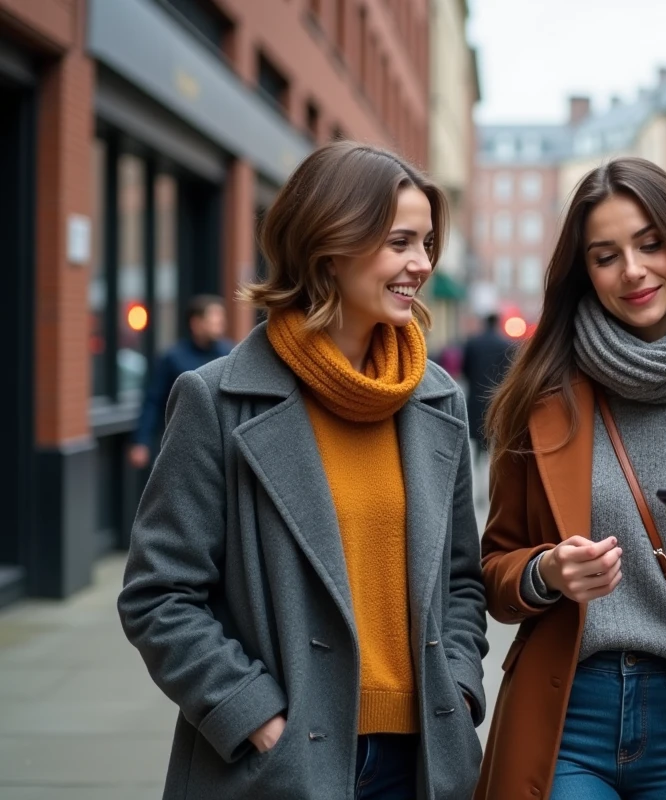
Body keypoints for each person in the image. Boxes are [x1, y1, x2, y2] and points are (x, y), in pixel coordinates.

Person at [118, 140, 488, 800]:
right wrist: (253, 715)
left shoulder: (437, 401)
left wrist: (458, 685)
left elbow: (461, 578)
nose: (422, 264)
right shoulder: (218, 399)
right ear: (331, 242)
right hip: (279, 765)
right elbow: (159, 594)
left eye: (427, 243)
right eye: (401, 242)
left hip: (424, 763)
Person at [476, 157, 666, 800]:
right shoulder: (541, 397)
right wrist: (545, 571)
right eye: (606, 255)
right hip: (568, 710)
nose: (633, 271)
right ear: (584, 273)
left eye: (649, 243)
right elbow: (493, 569)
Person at [129, 295, 232, 469]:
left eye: (221, 317)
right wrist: (141, 441)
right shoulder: (173, 358)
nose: (220, 323)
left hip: (222, 446)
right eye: (214, 317)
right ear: (196, 323)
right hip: (182, 446)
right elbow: (153, 400)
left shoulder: (230, 354)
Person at [461, 312, 516, 462]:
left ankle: (479, 456)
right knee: (492, 428)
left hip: (476, 392)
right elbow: (508, 371)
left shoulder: (473, 343)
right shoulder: (505, 344)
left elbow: (465, 368)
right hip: (496, 394)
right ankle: (489, 458)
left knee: (477, 428)